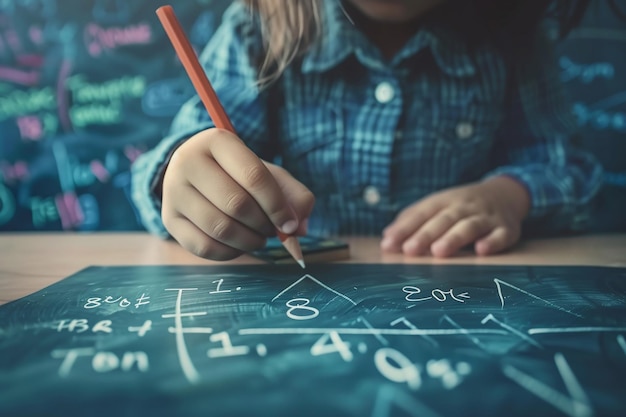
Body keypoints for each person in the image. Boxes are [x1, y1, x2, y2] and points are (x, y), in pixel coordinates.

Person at [131, 0, 603, 260]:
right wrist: (179, 174)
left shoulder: (509, 38)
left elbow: (564, 165)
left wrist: (509, 196)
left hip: (459, 301)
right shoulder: (257, 32)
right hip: (300, 307)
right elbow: (180, 161)